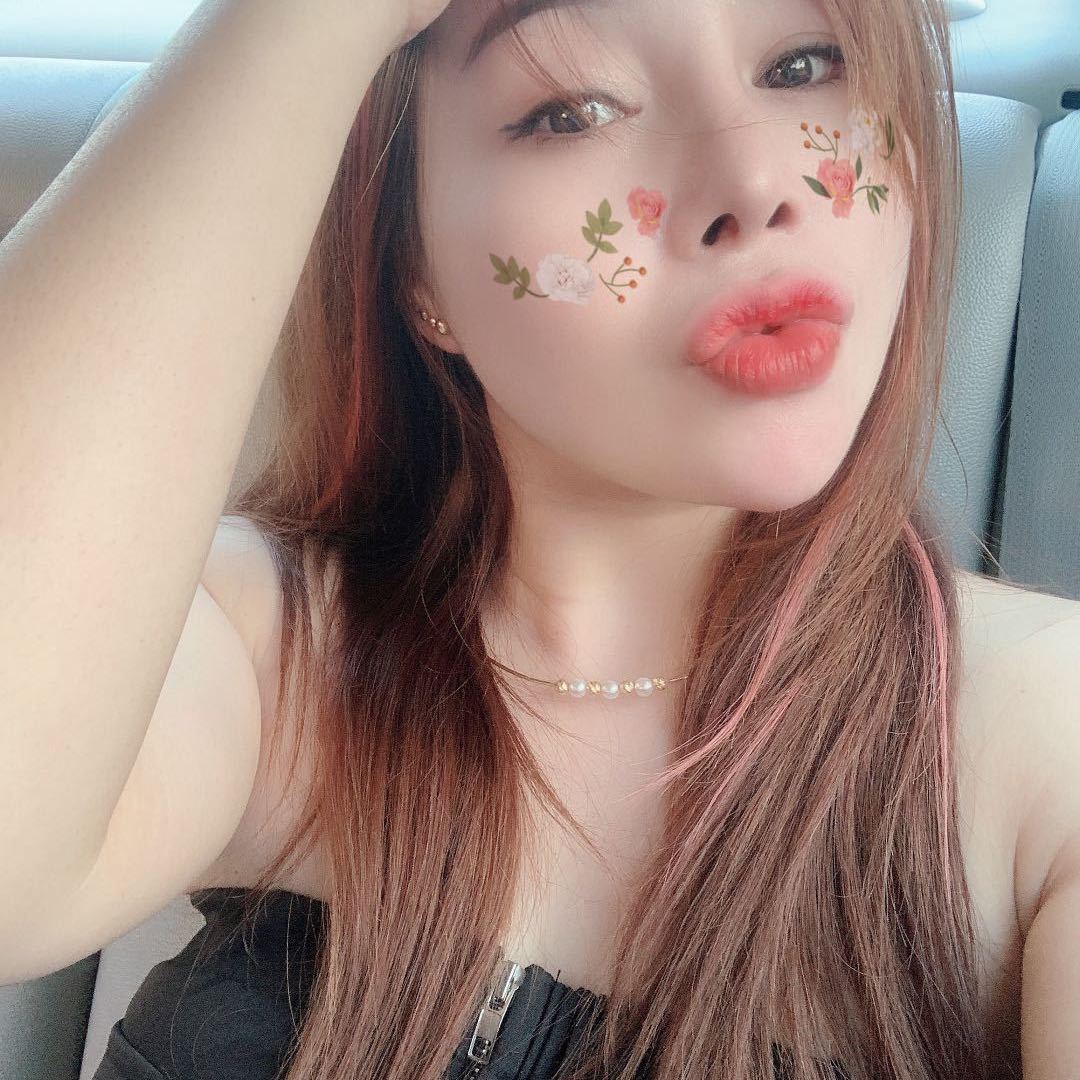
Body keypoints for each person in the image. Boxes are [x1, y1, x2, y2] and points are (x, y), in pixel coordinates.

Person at [2, 0, 1078, 1077]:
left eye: (804, 65)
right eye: (572, 111)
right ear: (417, 266)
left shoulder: (1042, 745)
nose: (755, 185)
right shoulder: (262, 649)